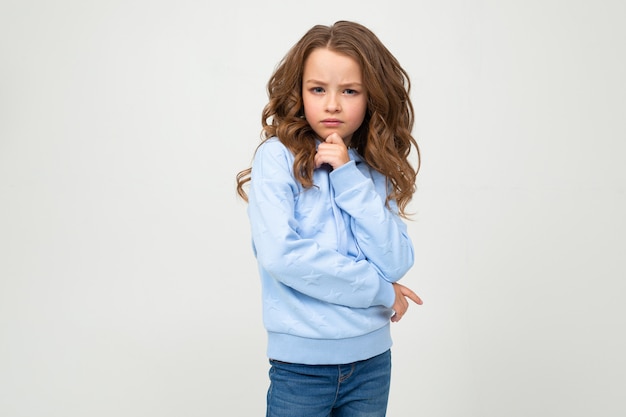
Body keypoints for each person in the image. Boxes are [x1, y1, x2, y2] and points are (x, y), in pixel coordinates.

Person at [236, 20, 423, 417]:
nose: (332, 104)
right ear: (298, 91)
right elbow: (282, 257)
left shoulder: (371, 165)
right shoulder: (276, 159)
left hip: (373, 362)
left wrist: (347, 176)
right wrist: (380, 290)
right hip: (301, 369)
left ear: (372, 96)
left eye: (350, 91)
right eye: (317, 89)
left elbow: (396, 260)